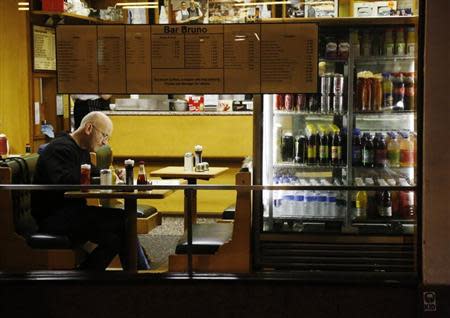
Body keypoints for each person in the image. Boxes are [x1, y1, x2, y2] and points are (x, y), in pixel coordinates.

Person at [31, 111, 150, 271]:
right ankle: (142, 276)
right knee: (124, 220)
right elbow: (64, 182)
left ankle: (85, 278)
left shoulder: (81, 150)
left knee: (114, 239)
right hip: (55, 218)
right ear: (88, 128)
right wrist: (102, 179)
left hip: (73, 213)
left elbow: (95, 174)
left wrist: (113, 174)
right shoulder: (59, 149)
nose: (105, 142)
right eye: (104, 135)